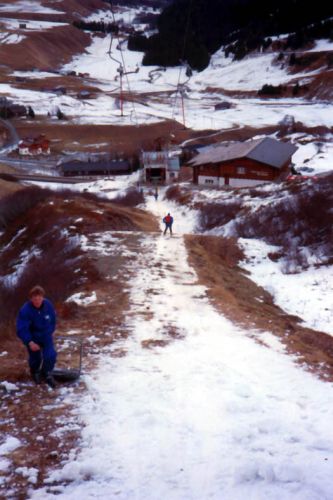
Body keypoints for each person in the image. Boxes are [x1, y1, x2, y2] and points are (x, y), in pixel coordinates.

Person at [16, 286, 57, 388]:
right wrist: (30, 342)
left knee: (51, 355)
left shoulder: (48, 305)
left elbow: (53, 319)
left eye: (39, 298)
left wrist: (52, 330)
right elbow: (22, 328)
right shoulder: (25, 310)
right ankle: (35, 372)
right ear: (31, 299)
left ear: (43, 297)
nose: (37, 301)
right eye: (35, 299)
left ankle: (46, 373)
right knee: (35, 358)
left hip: (46, 335)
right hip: (33, 337)